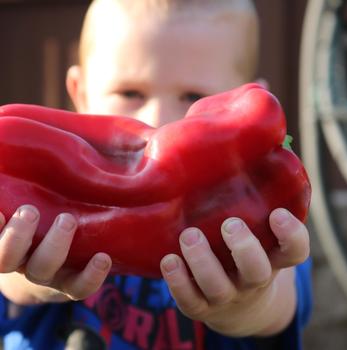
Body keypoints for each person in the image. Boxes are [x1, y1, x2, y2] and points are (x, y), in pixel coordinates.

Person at [0, 0, 312, 349]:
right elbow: (9, 293)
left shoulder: (259, 209)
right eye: (130, 93)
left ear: (241, 103)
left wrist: (249, 304)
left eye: (194, 96)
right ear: (80, 93)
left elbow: (280, 300)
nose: (159, 116)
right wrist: (29, 278)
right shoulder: (42, 184)